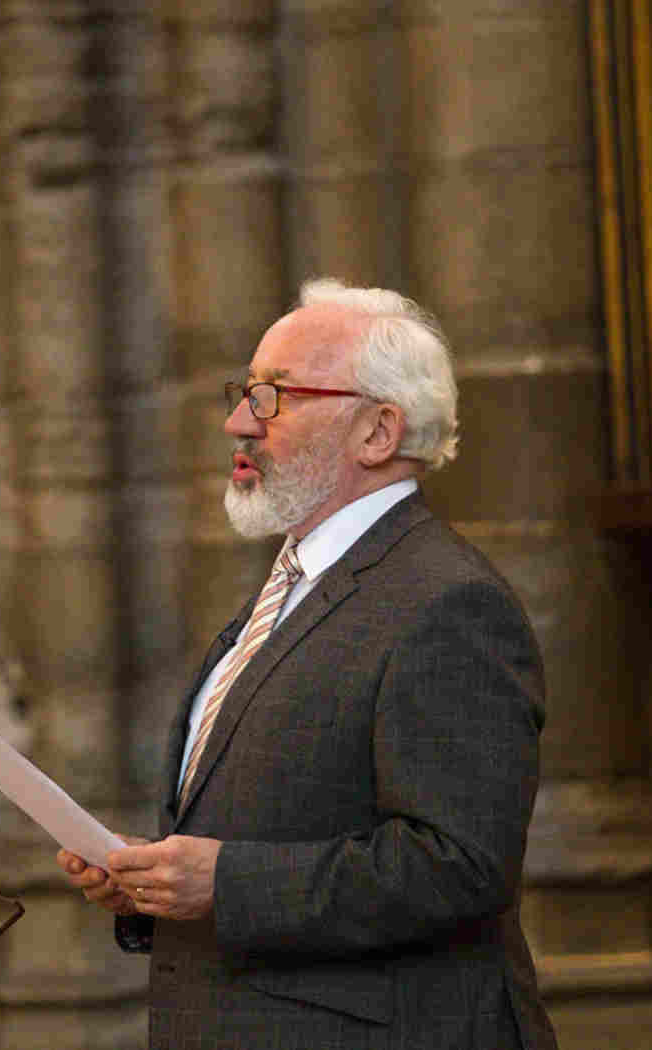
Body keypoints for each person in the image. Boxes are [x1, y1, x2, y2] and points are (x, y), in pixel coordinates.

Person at [56, 278, 558, 1049]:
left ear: (377, 431)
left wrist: (224, 883)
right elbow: (271, 815)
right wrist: (150, 883)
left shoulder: (448, 603)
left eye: (273, 398)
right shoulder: (295, 583)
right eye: (246, 393)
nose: (236, 423)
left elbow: (460, 866)